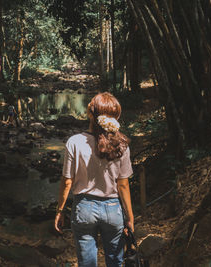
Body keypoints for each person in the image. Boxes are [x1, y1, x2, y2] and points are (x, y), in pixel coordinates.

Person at [54, 92, 134, 267]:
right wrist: (130, 217)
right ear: (116, 116)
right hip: (113, 209)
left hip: (84, 208)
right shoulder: (122, 145)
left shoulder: (74, 142)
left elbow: (67, 181)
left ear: (90, 114)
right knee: (115, 261)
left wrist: (60, 210)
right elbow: (123, 185)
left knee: (87, 263)